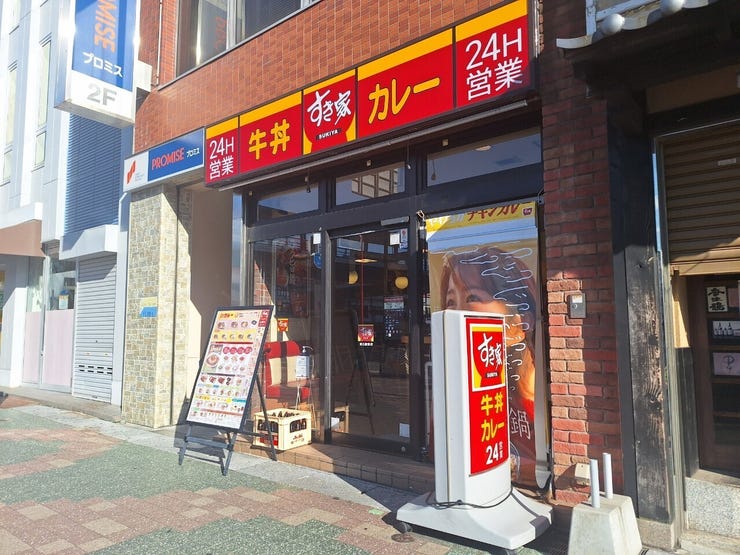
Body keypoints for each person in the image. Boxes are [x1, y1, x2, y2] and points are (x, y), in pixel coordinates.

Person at [438, 244, 538, 484]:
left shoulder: (533, 401)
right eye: (450, 301)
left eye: (472, 297)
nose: (456, 313)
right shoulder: (451, 394)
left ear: (521, 321)